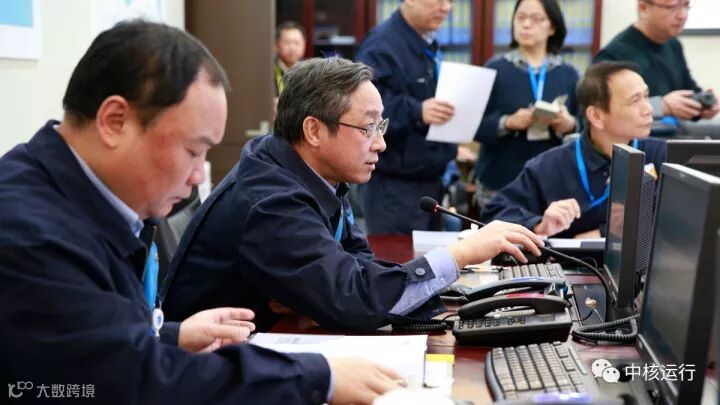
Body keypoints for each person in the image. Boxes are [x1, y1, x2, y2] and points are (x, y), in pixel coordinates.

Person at [0, 20, 404, 405]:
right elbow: (126, 382)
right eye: (193, 151)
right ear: (114, 121)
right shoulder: (30, 235)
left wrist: (167, 335)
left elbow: (86, 345)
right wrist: (318, 377)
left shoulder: (81, 195)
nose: (197, 177)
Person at [161, 57, 544, 332]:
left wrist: (327, 295)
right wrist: (460, 253)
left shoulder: (313, 171)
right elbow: (356, 298)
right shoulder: (271, 200)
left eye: (382, 125)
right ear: (314, 131)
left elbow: (357, 264)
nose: (381, 143)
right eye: (368, 128)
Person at [482, 62, 667, 239]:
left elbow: (678, 222)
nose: (648, 109)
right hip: (570, 261)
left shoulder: (663, 155)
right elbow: (495, 214)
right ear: (596, 116)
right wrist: (538, 225)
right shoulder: (550, 166)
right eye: (635, 100)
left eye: (646, 96)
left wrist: (605, 233)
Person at [354, 0, 457, 234]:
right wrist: (417, 111)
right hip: (394, 186)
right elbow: (362, 107)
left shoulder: (426, 42)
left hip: (431, 179)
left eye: (451, 1)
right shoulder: (381, 44)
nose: (446, 8)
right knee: (397, 255)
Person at [473, 0, 579, 211]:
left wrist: (570, 125)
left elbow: (585, 128)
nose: (526, 24)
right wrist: (507, 123)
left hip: (552, 182)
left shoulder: (568, 74)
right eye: (520, 17)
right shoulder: (495, 68)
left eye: (536, 18)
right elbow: (474, 126)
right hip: (500, 181)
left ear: (553, 27)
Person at [594, 0, 720, 124]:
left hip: (670, 132)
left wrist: (704, 104)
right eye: (671, 7)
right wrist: (661, 106)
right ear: (644, 8)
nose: (682, 15)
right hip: (638, 136)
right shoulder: (614, 55)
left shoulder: (673, 44)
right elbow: (602, 113)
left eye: (686, 5)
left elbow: (687, 89)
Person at [274, 21, 307, 97]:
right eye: (287, 42)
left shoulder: (309, 70)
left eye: (296, 42)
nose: (292, 48)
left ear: (304, 45)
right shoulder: (267, 71)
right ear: (277, 45)